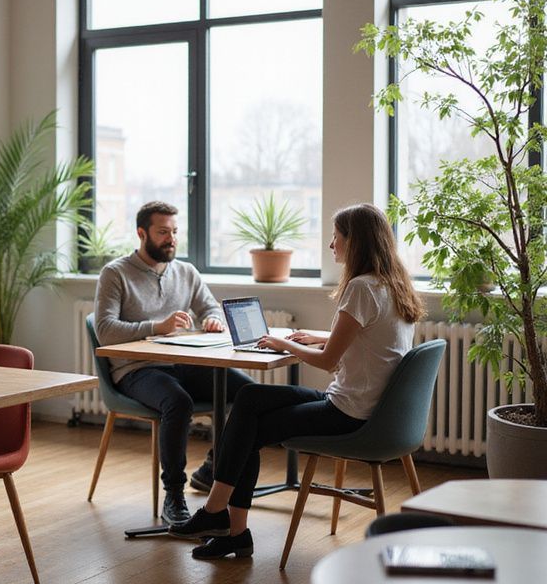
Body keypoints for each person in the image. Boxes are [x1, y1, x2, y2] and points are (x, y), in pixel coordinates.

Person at [168, 203, 425, 559]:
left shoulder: (361, 289)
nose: (331, 245)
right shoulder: (392, 285)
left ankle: (223, 521)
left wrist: (284, 344)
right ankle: (223, 521)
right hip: (372, 409)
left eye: (336, 237)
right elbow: (373, 339)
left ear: (355, 242)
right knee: (249, 398)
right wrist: (319, 337)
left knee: (248, 425)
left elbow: (328, 361)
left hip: (348, 413)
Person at [94, 201, 252, 526]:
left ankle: (213, 468)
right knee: (178, 402)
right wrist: (156, 327)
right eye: (163, 232)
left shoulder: (186, 272)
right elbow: (105, 331)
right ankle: (174, 494)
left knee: (250, 394)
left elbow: (211, 308)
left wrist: (213, 320)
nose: (172, 239)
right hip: (137, 369)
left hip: (184, 362)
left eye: (175, 232)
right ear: (142, 233)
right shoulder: (115, 273)